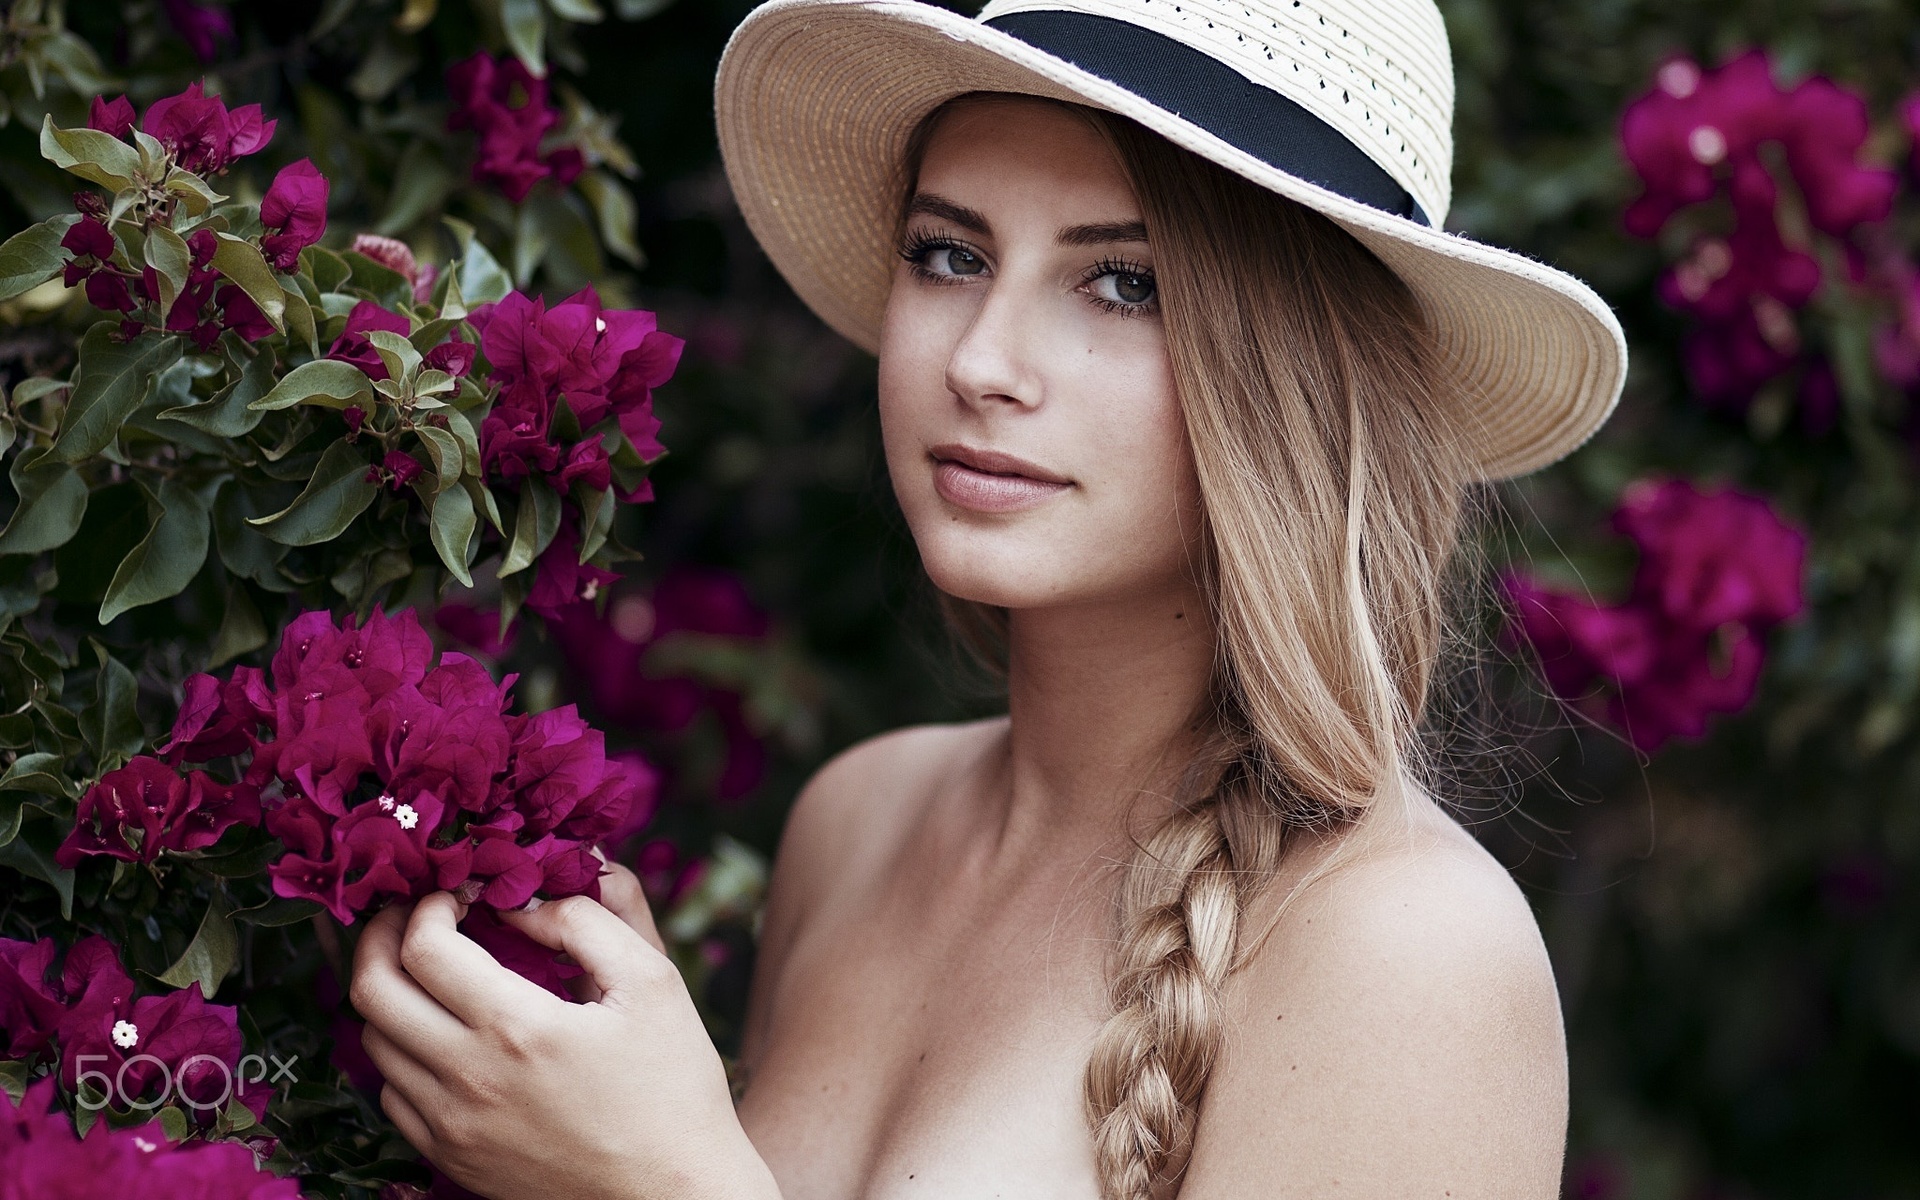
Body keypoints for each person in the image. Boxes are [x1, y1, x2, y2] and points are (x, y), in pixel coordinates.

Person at [348, 1, 1628, 1197]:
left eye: (1123, 282)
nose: (980, 362)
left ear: (1297, 380)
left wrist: (671, 1177)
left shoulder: (1407, 953)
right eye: (949, 254)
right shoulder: (860, 825)